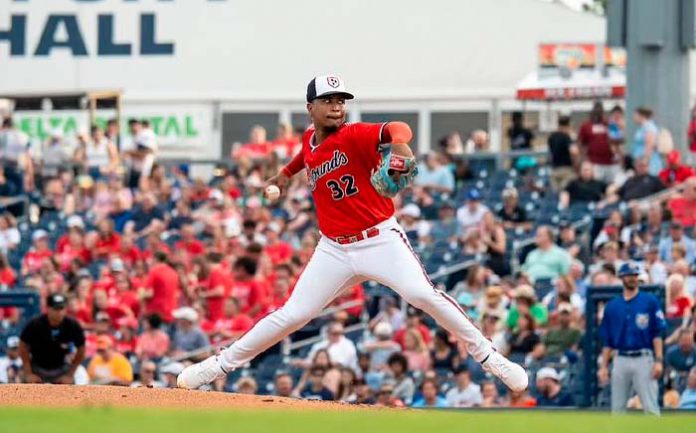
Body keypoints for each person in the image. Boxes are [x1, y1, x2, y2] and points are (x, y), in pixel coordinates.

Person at [177, 74, 527, 392]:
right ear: (310, 108)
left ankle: (488, 355)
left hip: (379, 240)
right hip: (333, 249)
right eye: (328, 100)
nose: (336, 107)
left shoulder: (355, 134)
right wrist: (284, 175)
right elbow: (307, 154)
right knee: (293, 315)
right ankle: (219, 365)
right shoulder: (310, 139)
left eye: (340, 101)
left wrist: (401, 149)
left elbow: (399, 129)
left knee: (422, 295)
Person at [598, 263, 666, 415]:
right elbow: (607, 340)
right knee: (617, 409)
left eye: (635, 275)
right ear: (622, 278)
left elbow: (657, 333)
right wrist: (603, 366)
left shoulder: (649, 301)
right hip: (620, 357)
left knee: (651, 407)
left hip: (644, 356)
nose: (632, 278)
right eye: (629, 275)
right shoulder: (613, 306)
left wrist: (659, 360)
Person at [19, 293, 86, 384]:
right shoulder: (35, 324)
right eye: (56, 309)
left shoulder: (72, 325)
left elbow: (81, 349)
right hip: (37, 367)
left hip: (61, 368)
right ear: (48, 309)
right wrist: (28, 373)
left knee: (71, 390)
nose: (59, 312)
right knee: (22, 381)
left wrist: (69, 374)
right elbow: (22, 347)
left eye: (62, 308)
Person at [578, 102, 618, 184]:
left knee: (611, 185)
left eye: (599, 111)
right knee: (597, 184)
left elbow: (617, 140)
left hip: (610, 162)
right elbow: (581, 143)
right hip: (594, 162)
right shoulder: (586, 126)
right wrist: (584, 158)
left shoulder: (610, 124)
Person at [548, 115, 577, 192]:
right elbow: (574, 151)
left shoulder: (552, 136)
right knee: (565, 193)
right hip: (566, 170)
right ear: (568, 125)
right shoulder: (566, 137)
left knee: (556, 195)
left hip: (554, 169)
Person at [632, 107, 662, 176]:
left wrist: (645, 160)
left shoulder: (649, 127)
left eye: (635, 115)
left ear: (641, 116)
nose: (634, 118)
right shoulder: (642, 127)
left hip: (649, 161)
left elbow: (649, 144)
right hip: (639, 160)